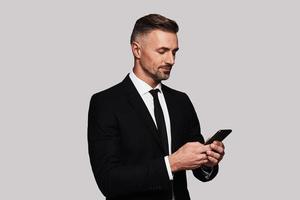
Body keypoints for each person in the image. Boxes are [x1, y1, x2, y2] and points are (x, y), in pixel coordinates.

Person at [88, 14, 225, 200]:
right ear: (137, 50)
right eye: (162, 51)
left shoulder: (181, 101)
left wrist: (207, 161)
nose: (171, 60)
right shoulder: (106, 103)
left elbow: (200, 172)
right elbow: (109, 181)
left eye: (174, 52)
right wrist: (171, 164)